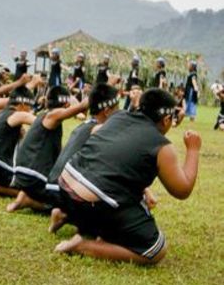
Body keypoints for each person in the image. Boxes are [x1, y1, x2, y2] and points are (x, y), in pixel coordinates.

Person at [54, 89, 202, 264]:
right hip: (94, 201)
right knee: (155, 249)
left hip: (65, 190)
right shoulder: (161, 145)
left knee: (121, 198)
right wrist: (193, 149)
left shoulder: (117, 117)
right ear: (166, 120)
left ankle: (66, 215)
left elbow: (95, 133)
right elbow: (182, 190)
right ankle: (83, 246)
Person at [46, 83, 120, 232]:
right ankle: (67, 215)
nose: (119, 112)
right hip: (66, 190)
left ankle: (66, 212)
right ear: (106, 111)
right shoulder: (100, 130)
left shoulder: (83, 126)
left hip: (53, 186)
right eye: (117, 109)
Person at [7, 85, 89, 212]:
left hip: (24, 175)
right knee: (65, 203)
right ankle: (28, 201)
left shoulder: (43, 116)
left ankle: (27, 194)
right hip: (33, 178)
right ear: (66, 104)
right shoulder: (53, 115)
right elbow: (82, 107)